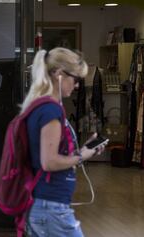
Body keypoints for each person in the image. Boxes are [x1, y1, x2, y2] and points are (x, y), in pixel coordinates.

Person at [23, 47, 107, 236]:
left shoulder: (41, 106)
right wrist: (81, 156)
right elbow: (49, 161)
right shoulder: (50, 110)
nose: (77, 86)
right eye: (75, 79)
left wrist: (84, 151)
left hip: (45, 203)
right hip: (51, 206)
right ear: (59, 74)